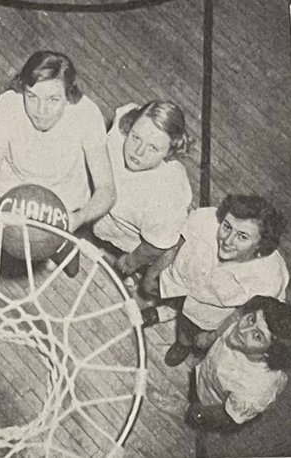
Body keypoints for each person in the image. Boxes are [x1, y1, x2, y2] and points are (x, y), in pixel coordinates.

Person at [0, 50, 116, 235]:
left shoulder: (86, 114)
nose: (41, 111)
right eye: (32, 97)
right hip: (11, 198)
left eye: (53, 99)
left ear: (69, 96)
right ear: (23, 89)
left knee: (65, 260)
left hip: (65, 203)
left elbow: (107, 189)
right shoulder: (7, 106)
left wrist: (79, 217)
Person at [141, 194, 289, 366]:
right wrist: (153, 271)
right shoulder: (206, 219)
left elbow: (244, 312)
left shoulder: (270, 279)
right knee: (167, 294)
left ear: (260, 245)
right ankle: (166, 310)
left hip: (208, 309)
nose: (227, 241)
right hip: (183, 280)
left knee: (189, 329)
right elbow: (176, 245)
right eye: (227, 227)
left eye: (242, 236)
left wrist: (214, 335)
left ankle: (182, 343)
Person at [150, 296, 291, 430]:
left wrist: (189, 411)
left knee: (200, 411)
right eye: (251, 319)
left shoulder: (253, 391)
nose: (242, 329)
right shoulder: (242, 339)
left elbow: (224, 417)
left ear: (269, 353)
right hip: (210, 373)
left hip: (213, 400)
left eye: (257, 336)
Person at [93, 100, 192, 277]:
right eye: (136, 137)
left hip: (126, 238)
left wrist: (131, 262)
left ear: (169, 152)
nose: (137, 152)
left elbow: (155, 245)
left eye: (153, 148)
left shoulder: (169, 199)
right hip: (99, 211)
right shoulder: (123, 120)